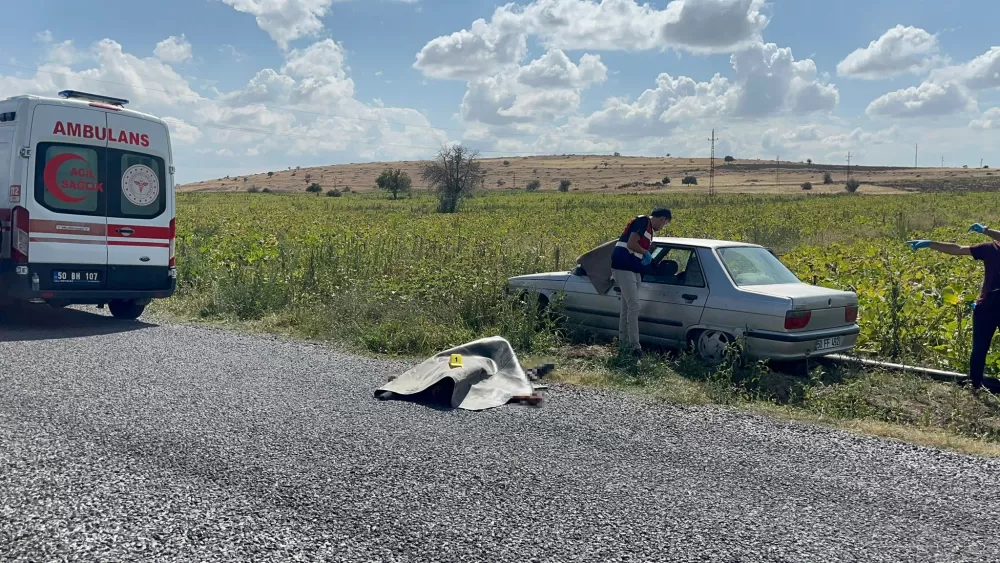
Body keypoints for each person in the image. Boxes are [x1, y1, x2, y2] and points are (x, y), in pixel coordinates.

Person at [907, 222, 1000, 390]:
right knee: (979, 350)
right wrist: (930, 243)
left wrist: (986, 230)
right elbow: (957, 249)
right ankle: (976, 387)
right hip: (986, 308)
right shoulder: (989, 249)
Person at [610, 208, 672, 357]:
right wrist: (646, 253)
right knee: (634, 306)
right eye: (664, 224)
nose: (662, 227)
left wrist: (646, 257)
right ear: (663, 219)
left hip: (633, 268)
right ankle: (635, 347)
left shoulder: (649, 230)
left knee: (627, 308)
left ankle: (624, 344)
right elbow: (631, 243)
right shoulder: (644, 221)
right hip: (623, 266)